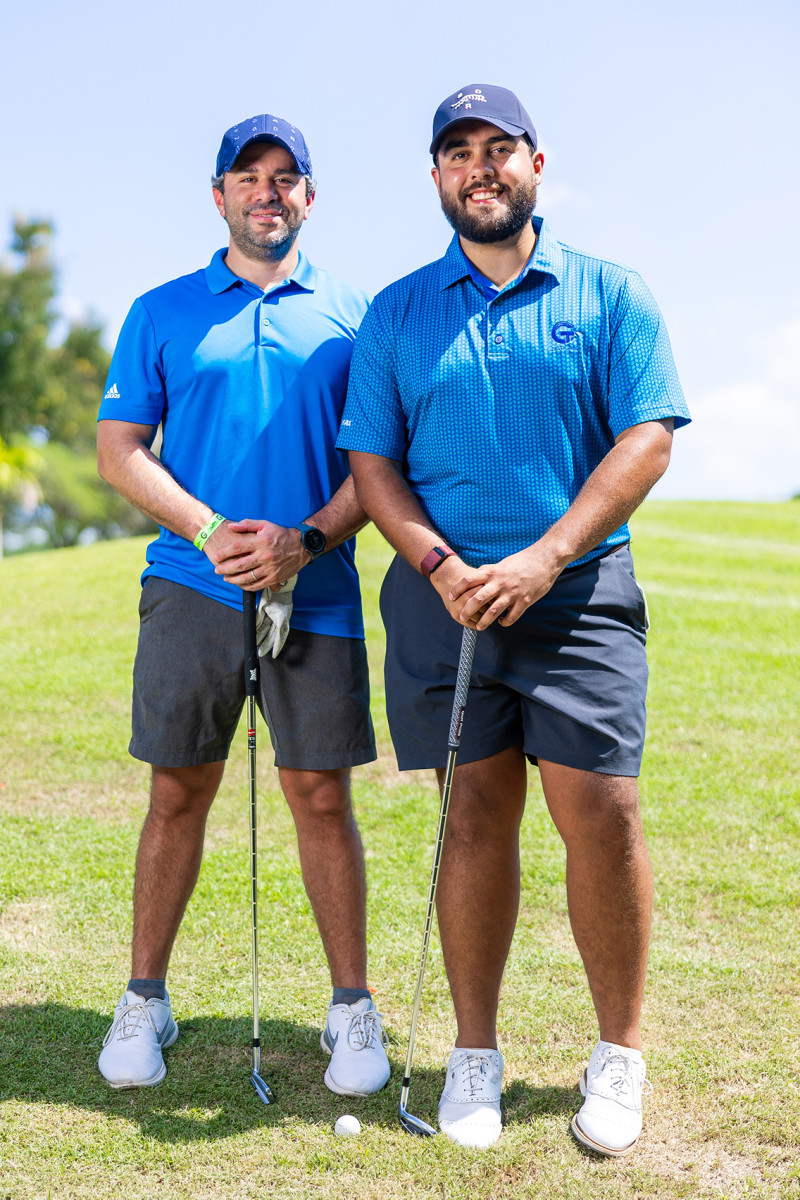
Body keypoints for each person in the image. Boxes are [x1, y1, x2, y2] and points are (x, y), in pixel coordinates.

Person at [337, 84, 690, 1152]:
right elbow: (371, 461)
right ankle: (473, 1056)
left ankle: (616, 1055)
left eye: (499, 150)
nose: (478, 168)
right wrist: (440, 564)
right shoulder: (397, 310)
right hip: (440, 598)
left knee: (601, 811)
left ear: (537, 164)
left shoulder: (607, 293)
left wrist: (543, 558)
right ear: (435, 178)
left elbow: (645, 441)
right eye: (457, 154)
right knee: (473, 813)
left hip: (576, 596)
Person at [96, 113, 390, 1099]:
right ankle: (144, 996)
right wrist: (208, 529)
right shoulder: (162, 309)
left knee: (319, 795)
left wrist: (302, 540)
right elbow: (120, 449)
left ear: (310, 196)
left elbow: (375, 466)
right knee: (178, 790)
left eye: (287, 177)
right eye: (248, 176)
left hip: (320, 588)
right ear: (217, 195)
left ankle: (351, 1008)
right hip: (190, 586)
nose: (268, 191)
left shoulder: (360, 314)